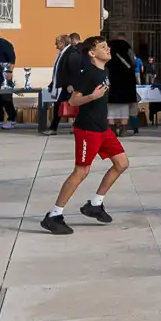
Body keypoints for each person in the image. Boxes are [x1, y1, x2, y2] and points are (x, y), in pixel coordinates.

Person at [40, 38, 128, 234]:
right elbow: (73, 100)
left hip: (102, 128)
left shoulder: (104, 71)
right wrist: (91, 97)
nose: (108, 49)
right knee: (81, 172)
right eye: (103, 47)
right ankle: (54, 215)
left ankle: (95, 204)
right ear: (92, 53)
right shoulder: (88, 73)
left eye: (107, 46)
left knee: (122, 164)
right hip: (88, 130)